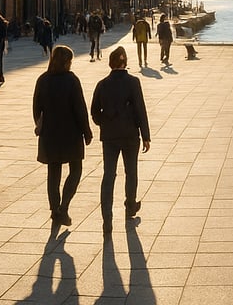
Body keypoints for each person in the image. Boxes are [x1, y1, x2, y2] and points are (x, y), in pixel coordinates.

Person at [90, 47, 150, 236]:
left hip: (109, 137)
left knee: (109, 175)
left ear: (111, 63)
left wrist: (104, 123)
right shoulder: (133, 82)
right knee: (131, 171)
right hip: (131, 135)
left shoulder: (102, 84)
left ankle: (107, 219)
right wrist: (146, 135)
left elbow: (94, 112)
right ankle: (130, 206)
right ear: (124, 63)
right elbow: (140, 109)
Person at [34, 46, 93, 225]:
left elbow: (36, 108)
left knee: (53, 173)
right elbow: (80, 109)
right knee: (76, 170)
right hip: (71, 134)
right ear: (66, 61)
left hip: (50, 135)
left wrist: (40, 124)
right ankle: (63, 207)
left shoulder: (42, 80)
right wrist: (87, 131)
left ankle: (54, 210)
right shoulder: (71, 80)